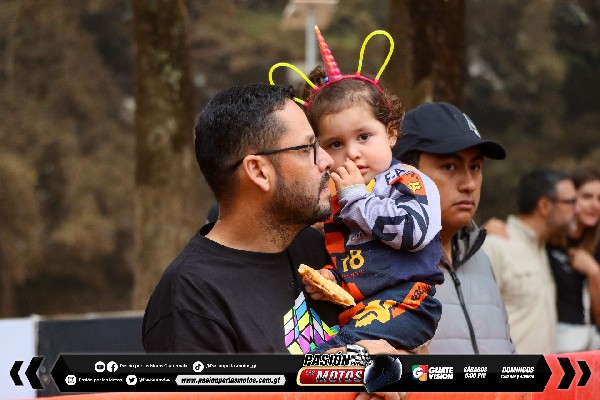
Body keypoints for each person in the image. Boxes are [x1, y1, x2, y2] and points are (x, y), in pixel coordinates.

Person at [297, 28, 444, 353]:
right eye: (335, 144)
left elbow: (413, 233)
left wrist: (357, 199)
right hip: (361, 308)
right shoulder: (338, 195)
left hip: (409, 301)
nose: (352, 153)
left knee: (336, 353)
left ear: (390, 133)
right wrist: (333, 278)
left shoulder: (408, 181)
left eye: (364, 136)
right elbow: (354, 255)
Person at [392, 101, 515, 354]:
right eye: (449, 166)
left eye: (475, 167)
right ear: (404, 173)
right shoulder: (381, 262)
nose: (469, 184)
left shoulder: (480, 258)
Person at [488, 167, 600, 352]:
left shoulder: (540, 248)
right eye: (572, 201)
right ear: (545, 206)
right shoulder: (497, 245)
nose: (577, 209)